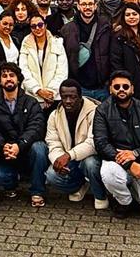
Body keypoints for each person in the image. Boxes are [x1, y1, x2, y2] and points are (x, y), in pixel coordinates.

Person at [92, 70, 140, 220]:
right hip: (116, 161)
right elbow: (101, 143)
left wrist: (135, 154)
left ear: (132, 89)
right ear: (110, 89)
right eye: (117, 86)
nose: (121, 89)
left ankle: (134, 192)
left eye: (125, 86)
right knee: (109, 173)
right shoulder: (102, 111)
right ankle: (124, 201)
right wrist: (129, 163)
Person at [0, 62, 50, 207]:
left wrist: (19, 145)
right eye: (4, 76)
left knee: (40, 148)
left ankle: (37, 191)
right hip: (5, 154)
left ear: (18, 79)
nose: (8, 79)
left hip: (27, 151)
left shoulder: (31, 102)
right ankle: (11, 184)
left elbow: (37, 127)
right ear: (0, 80)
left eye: (12, 75)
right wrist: (4, 146)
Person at [44, 79, 108, 209]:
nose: (68, 101)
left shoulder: (95, 112)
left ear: (80, 97)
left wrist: (68, 155)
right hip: (70, 160)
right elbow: (53, 142)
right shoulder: (54, 115)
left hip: (91, 157)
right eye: (64, 97)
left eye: (72, 97)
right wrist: (58, 160)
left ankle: (100, 195)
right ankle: (80, 185)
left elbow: (93, 142)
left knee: (90, 163)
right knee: (52, 175)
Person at [62, 0, 113, 101]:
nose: (87, 7)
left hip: (103, 87)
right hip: (80, 87)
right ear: (78, 6)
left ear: (95, 6)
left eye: (90, 4)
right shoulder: (67, 29)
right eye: (84, 4)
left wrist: (110, 81)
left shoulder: (106, 26)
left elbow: (113, 55)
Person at [18, 15, 67, 111]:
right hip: (32, 97)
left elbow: (62, 71)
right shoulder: (25, 43)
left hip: (53, 97)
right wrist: (38, 90)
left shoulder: (57, 43)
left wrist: (50, 92)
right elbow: (23, 70)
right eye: (33, 26)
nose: (37, 28)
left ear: (45, 25)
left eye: (40, 25)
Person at [110, 2, 140, 98]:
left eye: (134, 14)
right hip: (132, 82)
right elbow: (116, 62)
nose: (131, 17)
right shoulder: (119, 37)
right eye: (127, 15)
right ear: (123, 17)